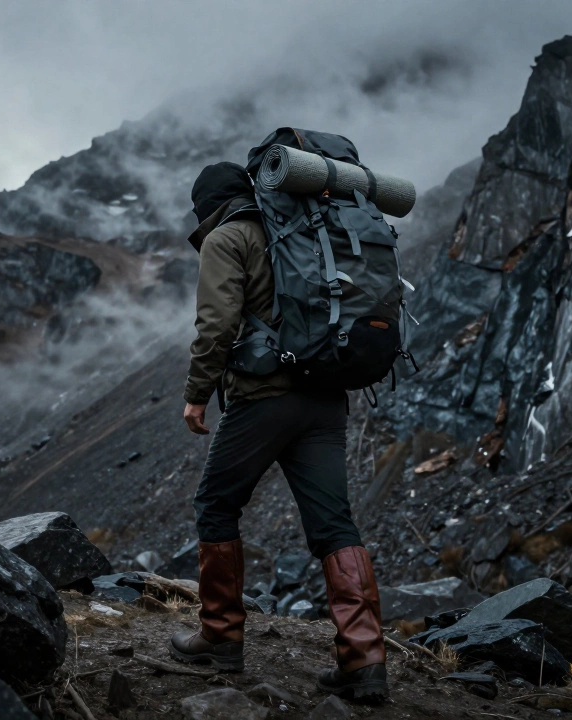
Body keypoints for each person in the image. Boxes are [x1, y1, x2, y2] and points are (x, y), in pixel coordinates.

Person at [167, 161, 389, 702]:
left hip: (265, 397)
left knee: (217, 505)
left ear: (207, 207)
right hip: (327, 397)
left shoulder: (227, 237)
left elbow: (217, 324)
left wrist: (197, 394)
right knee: (335, 524)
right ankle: (364, 661)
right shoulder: (308, 228)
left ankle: (220, 637)